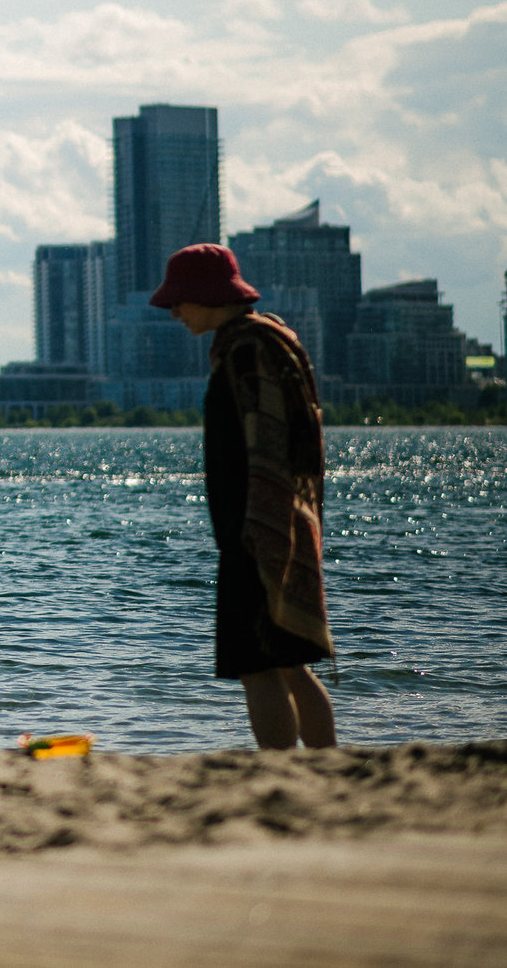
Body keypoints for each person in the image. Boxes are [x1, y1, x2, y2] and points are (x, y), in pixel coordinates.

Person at [154, 242, 338, 752]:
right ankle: (329, 770)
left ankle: (279, 769)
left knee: (258, 669)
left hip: (254, 529)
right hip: (279, 523)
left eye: (180, 301)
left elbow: (257, 450)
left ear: (207, 296)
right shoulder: (266, 342)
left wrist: (247, 528)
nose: (174, 313)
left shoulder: (245, 352)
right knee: (290, 665)